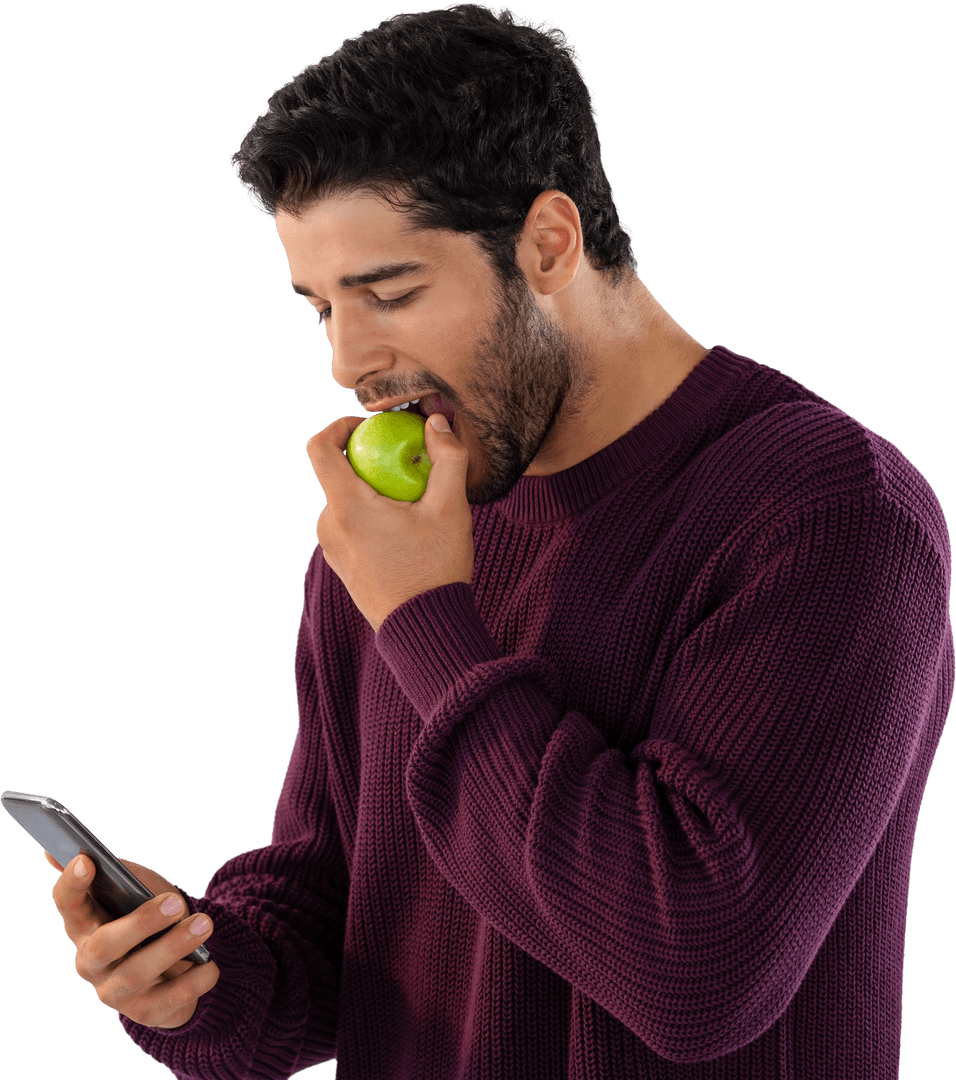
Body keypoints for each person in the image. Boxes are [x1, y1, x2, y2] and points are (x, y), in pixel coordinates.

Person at [48, 4, 953, 1078]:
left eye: (389, 292)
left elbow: (697, 974)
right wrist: (199, 979)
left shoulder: (828, 515)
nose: (348, 361)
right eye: (319, 307)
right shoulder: (403, 523)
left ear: (548, 242)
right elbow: (343, 910)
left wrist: (428, 620)